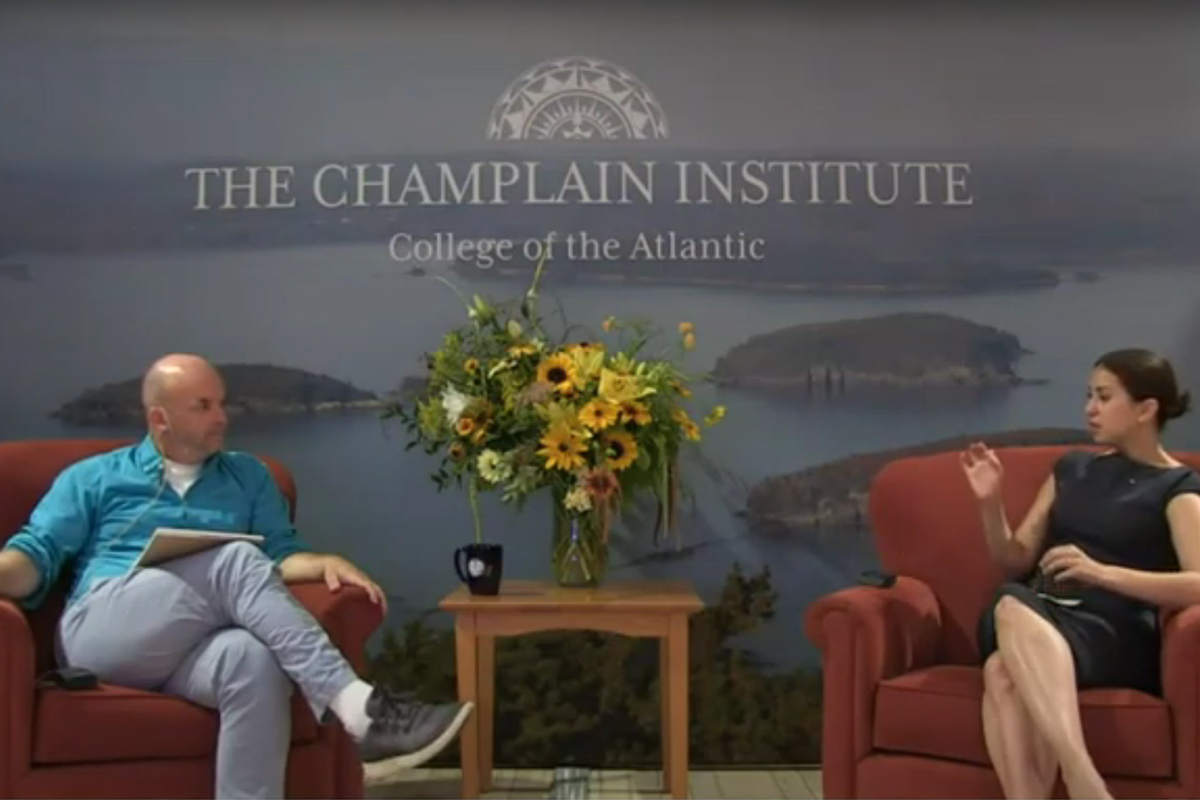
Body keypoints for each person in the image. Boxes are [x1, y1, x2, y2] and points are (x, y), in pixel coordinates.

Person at [0, 354, 473, 800]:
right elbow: (33, 557)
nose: (222, 417)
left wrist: (320, 563)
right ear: (160, 419)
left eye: (222, 403)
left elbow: (280, 555)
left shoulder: (249, 477)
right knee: (235, 559)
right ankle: (357, 709)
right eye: (203, 406)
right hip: (104, 632)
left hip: (195, 644)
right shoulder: (94, 478)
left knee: (253, 661)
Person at [961, 348, 1200, 800]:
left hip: (1113, 630)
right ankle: (1083, 779)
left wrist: (1102, 574)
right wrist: (990, 504)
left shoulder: (1177, 487)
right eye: (1089, 395)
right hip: (1040, 610)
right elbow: (1015, 558)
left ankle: (1080, 778)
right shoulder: (1072, 468)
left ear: (1146, 409)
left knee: (1001, 667)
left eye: (1104, 397)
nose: (1090, 408)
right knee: (1009, 606)